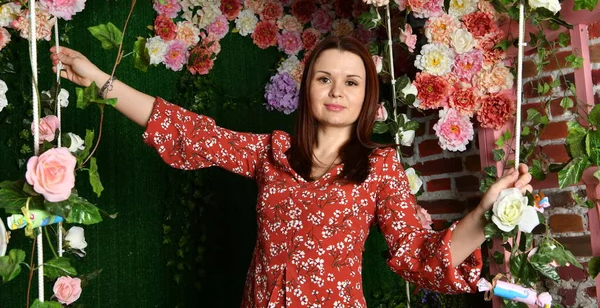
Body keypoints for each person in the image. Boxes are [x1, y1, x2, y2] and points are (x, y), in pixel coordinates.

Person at [50, 36, 533, 308]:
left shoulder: (381, 167)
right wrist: (99, 80)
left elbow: (415, 255)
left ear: (368, 98)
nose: (336, 90)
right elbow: (187, 131)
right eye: (325, 78)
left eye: (351, 82)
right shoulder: (271, 153)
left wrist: (484, 215)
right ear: (308, 89)